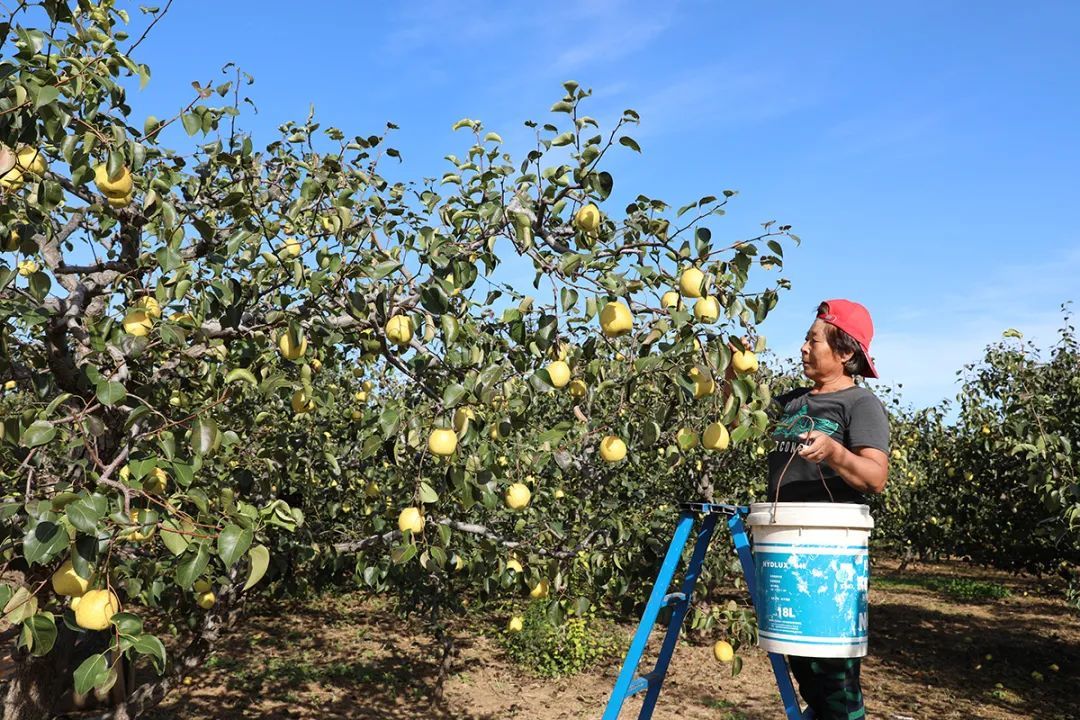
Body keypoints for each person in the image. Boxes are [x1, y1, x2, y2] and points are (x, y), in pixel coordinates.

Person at [766, 299, 890, 720]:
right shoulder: (791, 402)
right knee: (801, 660)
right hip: (783, 543)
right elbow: (735, 411)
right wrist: (733, 370)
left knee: (833, 672)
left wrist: (836, 453)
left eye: (813, 339)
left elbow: (875, 477)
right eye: (805, 337)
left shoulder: (860, 404)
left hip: (828, 553)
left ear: (845, 353)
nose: (803, 347)